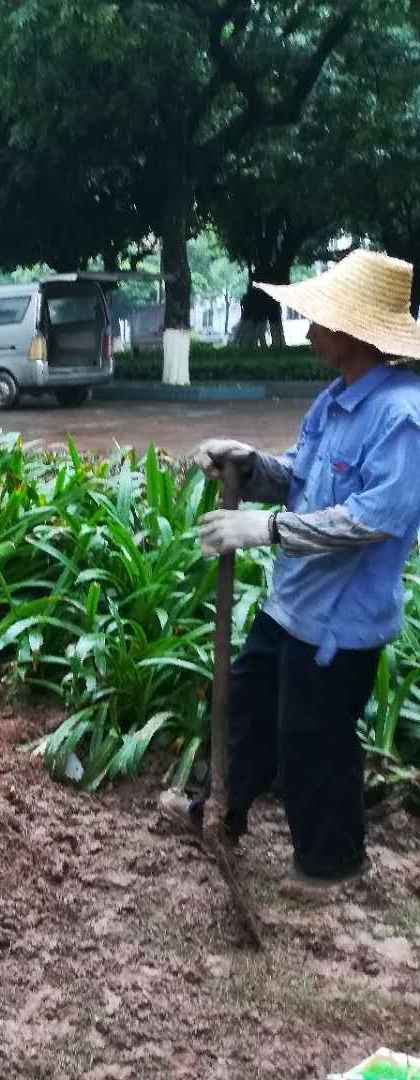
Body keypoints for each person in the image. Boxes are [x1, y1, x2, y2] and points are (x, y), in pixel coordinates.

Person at [168, 250, 420, 887]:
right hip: (292, 605)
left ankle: (331, 863)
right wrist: (252, 467)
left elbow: (374, 518)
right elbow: (303, 479)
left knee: (316, 741)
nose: (307, 325)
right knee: (248, 707)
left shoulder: (402, 417)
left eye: (320, 316)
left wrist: (268, 529)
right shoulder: (336, 400)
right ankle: (219, 812)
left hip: (338, 626)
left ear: (355, 332)